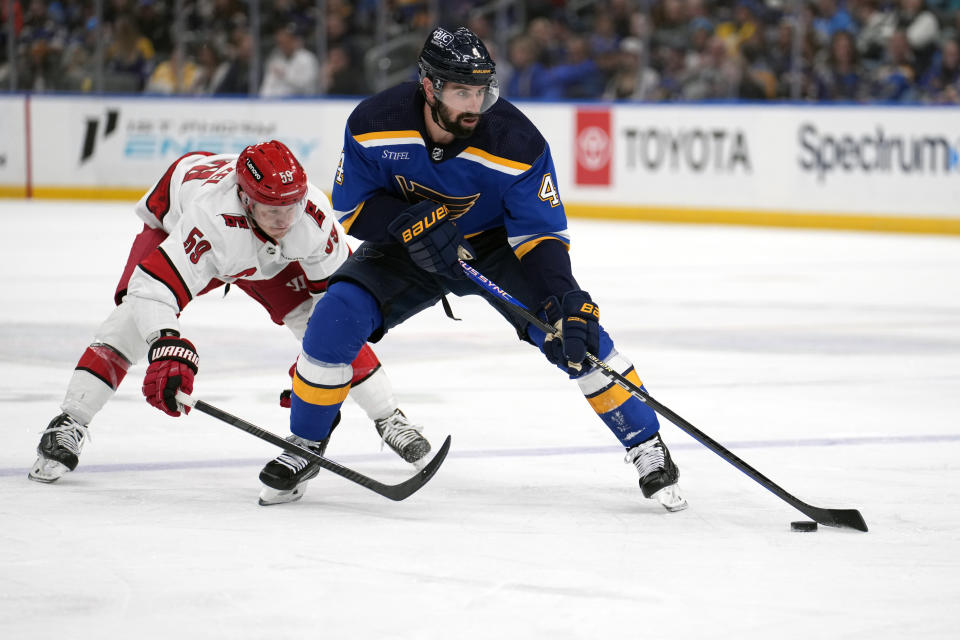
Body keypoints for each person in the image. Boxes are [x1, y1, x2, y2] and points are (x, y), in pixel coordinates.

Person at [268, 26, 688, 512]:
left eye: (481, 91)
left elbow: (540, 234)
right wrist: (407, 222)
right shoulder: (374, 122)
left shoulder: (517, 141)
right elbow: (353, 210)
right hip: (408, 243)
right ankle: (305, 445)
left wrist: (567, 295)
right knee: (333, 317)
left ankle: (645, 445)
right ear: (428, 86)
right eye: (461, 91)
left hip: (494, 249)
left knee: (575, 333)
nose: (474, 104)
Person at [30, 140, 432, 504]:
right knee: (129, 323)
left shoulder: (310, 216)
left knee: (326, 325)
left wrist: (317, 370)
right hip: (174, 224)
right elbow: (151, 290)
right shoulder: (210, 216)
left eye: (291, 206)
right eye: (272, 209)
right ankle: (70, 420)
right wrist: (165, 343)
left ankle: (388, 416)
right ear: (245, 198)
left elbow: (339, 309)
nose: (284, 219)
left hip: (266, 259)